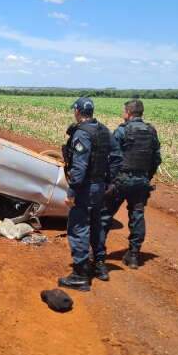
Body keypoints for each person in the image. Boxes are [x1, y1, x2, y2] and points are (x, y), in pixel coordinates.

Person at [58, 97, 121, 292]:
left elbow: (79, 166)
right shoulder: (103, 130)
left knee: (79, 228)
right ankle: (100, 266)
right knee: (97, 225)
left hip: (85, 188)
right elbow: (117, 157)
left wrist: (71, 191)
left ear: (77, 111)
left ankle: (80, 275)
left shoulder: (82, 134)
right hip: (100, 187)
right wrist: (109, 181)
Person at [101, 99, 161, 269]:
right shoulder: (151, 131)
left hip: (121, 180)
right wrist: (146, 177)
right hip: (141, 182)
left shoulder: (122, 131)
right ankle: (134, 255)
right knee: (137, 215)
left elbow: (110, 157)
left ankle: (97, 253)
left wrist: (109, 181)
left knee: (104, 215)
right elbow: (156, 159)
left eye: (123, 111)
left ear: (128, 113)